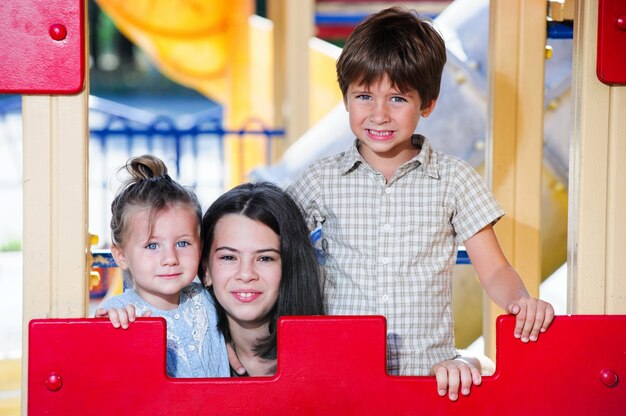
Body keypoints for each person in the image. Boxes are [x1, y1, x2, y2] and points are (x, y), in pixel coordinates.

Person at [286, 6, 555, 400]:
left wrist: (520, 301)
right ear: (345, 99)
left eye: (397, 98)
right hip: (341, 374)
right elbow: (272, 243)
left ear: (427, 104)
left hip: (429, 377)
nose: (378, 114)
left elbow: (494, 269)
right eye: (364, 96)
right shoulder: (321, 179)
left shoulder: (454, 178)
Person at [94, 155, 230, 378]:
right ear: (121, 255)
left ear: (200, 247)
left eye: (183, 243)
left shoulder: (207, 298)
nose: (170, 258)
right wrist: (109, 331)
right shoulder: (120, 313)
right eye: (152, 245)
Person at [198, 182, 325, 376]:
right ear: (206, 270)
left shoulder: (327, 360)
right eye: (229, 257)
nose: (247, 274)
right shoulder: (186, 356)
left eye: (265, 258)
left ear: (291, 266)